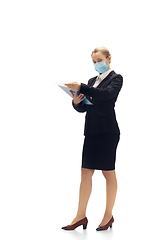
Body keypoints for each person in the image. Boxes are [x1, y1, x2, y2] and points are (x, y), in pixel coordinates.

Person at [62, 46, 123, 231]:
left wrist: (81, 87)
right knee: (85, 172)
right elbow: (85, 108)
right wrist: (76, 100)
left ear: (109, 58)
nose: (97, 64)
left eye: (99, 60)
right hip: (91, 131)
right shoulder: (91, 81)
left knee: (107, 172)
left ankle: (108, 215)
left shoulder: (116, 78)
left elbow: (105, 95)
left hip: (107, 132)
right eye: (94, 62)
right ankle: (80, 215)